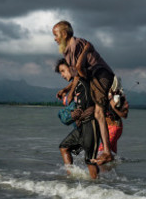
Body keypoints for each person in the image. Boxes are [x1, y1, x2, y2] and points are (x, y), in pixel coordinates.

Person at [53, 20, 115, 165]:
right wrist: (67, 89)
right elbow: (77, 75)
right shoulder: (67, 51)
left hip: (100, 74)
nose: (54, 39)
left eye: (55, 35)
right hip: (92, 76)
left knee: (99, 112)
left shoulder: (76, 44)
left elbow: (80, 70)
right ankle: (105, 152)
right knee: (96, 112)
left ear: (64, 34)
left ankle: (107, 152)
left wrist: (72, 87)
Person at [55, 59, 100, 179]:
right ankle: (70, 178)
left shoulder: (85, 79)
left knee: (90, 160)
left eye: (63, 71)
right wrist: (66, 90)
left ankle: (98, 188)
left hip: (91, 123)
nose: (62, 75)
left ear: (73, 68)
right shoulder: (76, 86)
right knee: (64, 147)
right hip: (81, 126)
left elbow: (79, 74)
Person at [98, 77, 129, 155]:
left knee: (102, 152)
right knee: (112, 153)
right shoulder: (105, 96)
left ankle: (98, 166)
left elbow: (124, 115)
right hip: (107, 127)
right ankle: (111, 167)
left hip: (115, 128)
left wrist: (114, 107)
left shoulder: (121, 98)